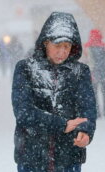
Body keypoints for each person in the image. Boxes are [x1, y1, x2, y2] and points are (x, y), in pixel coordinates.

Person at [12, 12, 97, 172]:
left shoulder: (80, 72)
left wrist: (86, 131)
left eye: (67, 46)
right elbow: (23, 112)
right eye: (58, 46)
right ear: (45, 43)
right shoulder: (25, 69)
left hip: (69, 155)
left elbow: (88, 109)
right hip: (32, 154)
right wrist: (61, 125)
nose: (63, 52)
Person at [84, 29, 105, 119]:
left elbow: (84, 61)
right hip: (103, 73)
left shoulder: (87, 46)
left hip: (92, 74)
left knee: (94, 94)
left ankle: (97, 112)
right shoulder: (104, 46)